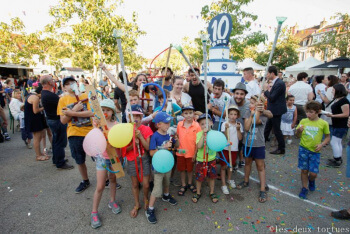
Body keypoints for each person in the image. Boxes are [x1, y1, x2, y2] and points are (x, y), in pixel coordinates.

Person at [57, 76, 94, 193]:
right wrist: (74, 110)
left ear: (77, 83)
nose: (70, 85)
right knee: (79, 159)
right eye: (67, 84)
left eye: (72, 82)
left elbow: (93, 112)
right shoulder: (62, 100)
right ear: (64, 87)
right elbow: (63, 120)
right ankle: (85, 180)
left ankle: (107, 179)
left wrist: (72, 112)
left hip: (91, 132)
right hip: (74, 134)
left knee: (99, 157)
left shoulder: (85, 96)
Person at [90, 99, 122, 229]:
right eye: (102, 110)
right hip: (102, 158)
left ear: (112, 112)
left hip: (114, 156)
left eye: (107, 110)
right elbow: (95, 137)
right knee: (100, 185)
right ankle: (94, 212)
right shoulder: (97, 123)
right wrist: (96, 126)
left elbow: (120, 140)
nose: (105, 112)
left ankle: (112, 201)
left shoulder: (116, 124)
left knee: (113, 179)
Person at [237, 95, 272, 203]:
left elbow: (256, 121)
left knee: (260, 166)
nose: (251, 105)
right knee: (247, 163)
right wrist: (252, 114)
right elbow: (247, 127)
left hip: (258, 144)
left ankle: (262, 189)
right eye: (251, 103)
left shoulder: (263, 115)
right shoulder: (248, 112)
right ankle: (246, 180)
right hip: (247, 144)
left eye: (254, 103)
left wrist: (258, 112)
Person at [146, 112, 177, 224]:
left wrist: (175, 141)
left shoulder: (169, 135)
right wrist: (164, 147)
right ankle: (150, 209)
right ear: (158, 124)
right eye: (166, 123)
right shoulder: (155, 136)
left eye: (169, 122)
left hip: (168, 164)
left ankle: (166, 195)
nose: (168, 125)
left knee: (167, 182)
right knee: (157, 188)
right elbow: (151, 153)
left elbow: (174, 146)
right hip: (159, 166)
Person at [122, 105, 153, 218]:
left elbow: (148, 147)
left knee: (145, 185)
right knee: (135, 184)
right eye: (133, 116)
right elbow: (124, 150)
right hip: (132, 159)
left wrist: (140, 138)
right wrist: (132, 145)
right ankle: (136, 204)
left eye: (137, 116)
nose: (135, 118)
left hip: (143, 159)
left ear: (141, 117)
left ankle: (145, 198)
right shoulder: (126, 131)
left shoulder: (146, 129)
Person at [295, 101, 330, 199]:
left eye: (311, 112)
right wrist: (298, 131)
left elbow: (328, 137)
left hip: (315, 151)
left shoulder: (323, 123)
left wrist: (322, 144)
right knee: (304, 170)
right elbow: (297, 136)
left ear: (318, 112)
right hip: (303, 149)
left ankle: (312, 180)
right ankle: (304, 188)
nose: (308, 114)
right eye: (307, 112)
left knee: (313, 173)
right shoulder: (303, 121)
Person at [41, 75, 73, 170]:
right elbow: (62, 102)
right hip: (56, 120)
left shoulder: (46, 93)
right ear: (49, 82)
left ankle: (57, 159)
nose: (53, 81)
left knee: (56, 141)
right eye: (52, 80)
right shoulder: (48, 94)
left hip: (52, 120)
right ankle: (60, 162)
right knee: (60, 142)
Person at [192, 114, 219, 204]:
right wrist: (204, 135)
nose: (204, 125)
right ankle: (198, 192)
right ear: (199, 125)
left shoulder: (214, 134)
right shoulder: (199, 134)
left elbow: (217, 145)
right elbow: (199, 146)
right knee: (199, 177)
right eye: (202, 124)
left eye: (206, 123)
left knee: (212, 177)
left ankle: (212, 192)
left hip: (211, 159)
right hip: (201, 160)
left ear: (211, 122)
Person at [175, 105, 201, 196]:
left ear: (194, 113)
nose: (189, 115)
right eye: (186, 113)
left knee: (190, 169)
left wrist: (195, 154)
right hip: (181, 152)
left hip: (191, 152)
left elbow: (198, 141)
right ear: (182, 114)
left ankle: (190, 183)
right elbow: (177, 137)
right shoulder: (179, 124)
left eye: (190, 113)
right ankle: (183, 184)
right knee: (182, 170)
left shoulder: (197, 125)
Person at [263, 66, 287, 155]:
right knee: (267, 128)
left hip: (276, 110)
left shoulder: (279, 83)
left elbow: (272, 97)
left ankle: (281, 148)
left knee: (276, 130)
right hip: (273, 109)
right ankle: (262, 144)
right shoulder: (277, 82)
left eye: (268, 73)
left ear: (272, 73)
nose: (267, 75)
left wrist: (265, 90)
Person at [326, 84, 349, 168]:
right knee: (337, 142)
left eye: (333, 90)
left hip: (341, 124)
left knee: (334, 142)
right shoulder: (338, 99)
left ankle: (337, 159)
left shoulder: (344, 101)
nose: (332, 91)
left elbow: (346, 114)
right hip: (337, 123)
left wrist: (332, 116)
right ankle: (337, 158)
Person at [220, 105, 243, 194]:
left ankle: (229, 179)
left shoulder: (239, 124)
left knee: (231, 165)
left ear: (237, 116)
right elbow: (225, 137)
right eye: (231, 114)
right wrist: (226, 128)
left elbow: (240, 138)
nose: (233, 116)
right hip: (225, 147)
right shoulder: (224, 124)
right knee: (223, 166)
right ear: (228, 115)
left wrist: (238, 129)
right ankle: (223, 184)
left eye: (235, 114)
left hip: (234, 148)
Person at [24, 85, 49, 161]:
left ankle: (40, 153)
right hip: (33, 119)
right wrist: (44, 107)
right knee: (37, 138)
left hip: (34, 119)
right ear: (41, 92)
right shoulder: (35, 98)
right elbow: (35, 110)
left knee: (39, 136)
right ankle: (38, 155)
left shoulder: (31, 96)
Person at [230, 82, 250, 168]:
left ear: (245, 95)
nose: (238, 96)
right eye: (237, 93)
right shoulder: (231, 100)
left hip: (243, 131)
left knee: (239, 148)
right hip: (232, 130)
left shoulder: (248, 105)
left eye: (241, 94)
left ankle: (239, 161)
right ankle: (233, 164)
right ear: (234, 94)